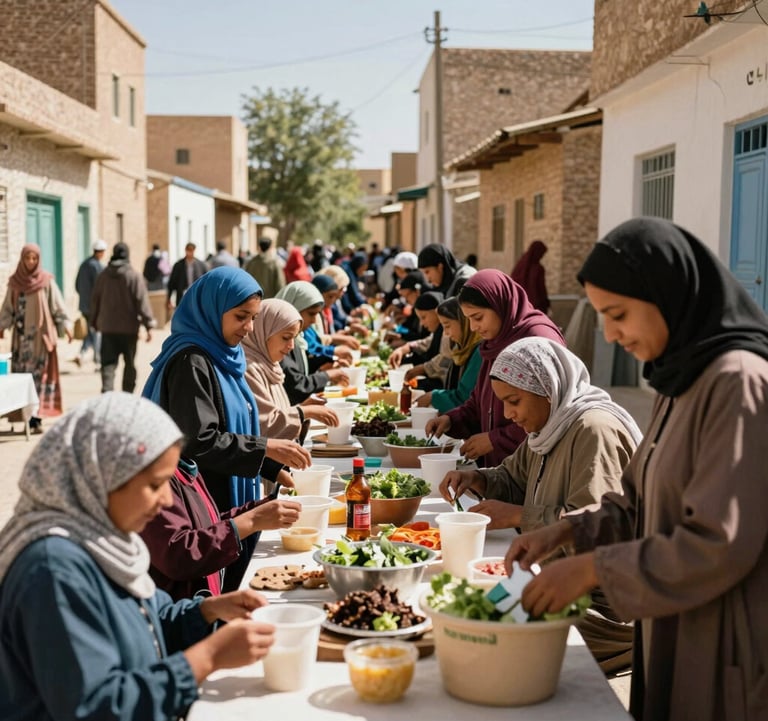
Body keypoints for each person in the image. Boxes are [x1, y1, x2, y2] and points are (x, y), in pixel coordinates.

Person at [505, 217, 768, 721]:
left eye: (619, 314)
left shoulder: (736, 383)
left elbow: (718, 542)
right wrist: (565, 531)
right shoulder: (680, 380)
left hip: (725, 638)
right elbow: (637, 501)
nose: (610, 333)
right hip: (673, 622)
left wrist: (592, 568)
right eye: (602, 315)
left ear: (668, 295)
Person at [0, 392, 277, 721]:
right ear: (101, 477)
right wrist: (207, 657)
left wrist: (206, 611)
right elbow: (98, 708)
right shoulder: (53, 569)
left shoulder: (106, 541)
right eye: (155, 484)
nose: (165, 500)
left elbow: (146, 616)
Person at [441, 337, 642, 673]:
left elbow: (598, 528)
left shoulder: (593, 430)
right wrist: (479, 480)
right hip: (546, 578)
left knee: (487, 643)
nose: (508, 414)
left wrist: (520, 516)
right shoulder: (548, 427)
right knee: (460, 610)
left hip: (594, 604)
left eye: (514, 401)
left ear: (548, 388)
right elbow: (514, 477)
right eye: (503, 402)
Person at [142, 267, 311, 590]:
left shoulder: (223, 356)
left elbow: (233, 422)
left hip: (226, 492)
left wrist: (269, 466)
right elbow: (199, 441)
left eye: (253, 318)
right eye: (240, 317)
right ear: (212, 309)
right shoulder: (191, 362)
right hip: (206, 501)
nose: (248, 328)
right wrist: (265, 448)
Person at [426, 269, 564, 467]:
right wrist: (451, 420)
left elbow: (552, 411)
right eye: (469, 319)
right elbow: (481, 400)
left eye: (478, 317)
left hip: (534, 469)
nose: (473, 327)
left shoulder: (537, 339)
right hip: (500, 473)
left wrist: (495, 439)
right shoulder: (493, 342)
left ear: (499, 305)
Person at [141, 454, 301, 601]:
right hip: (186, 616)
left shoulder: (183, 467)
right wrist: (252, 520)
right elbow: (178, 554)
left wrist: (265, 507)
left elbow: (209, 524)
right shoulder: (157, 479)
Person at [242, 298, 339, 438]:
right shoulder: (249, 369)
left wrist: (300, 408)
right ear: (264, 332)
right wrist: (304, 411)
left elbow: (276, 413)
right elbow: (264, 426)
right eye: (286, 337)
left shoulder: (270, 364)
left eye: (294, 338)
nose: (292, 346)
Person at [0, 243, 71, 431]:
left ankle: (36, 419)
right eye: (27, 258)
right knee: (23, 379)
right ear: (22, 259)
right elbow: (7, 309)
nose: (31, 262)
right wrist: (2, 326)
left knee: (40, 378)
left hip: (41, 340)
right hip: (21, 342)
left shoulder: (46, 281)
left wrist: (67, 327)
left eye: (34, 258)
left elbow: (58, 307)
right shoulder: (15, 283)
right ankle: (26, 417)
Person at [90, 242, 155, 394]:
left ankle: (107, 393)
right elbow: (142, 301)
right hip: (129, 329)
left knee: (108, 364)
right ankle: (127, 395)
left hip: (107, 328)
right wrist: (149, 325)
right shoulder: (133, 275)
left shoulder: (104, 275)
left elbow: (95, 300)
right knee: (130, 364)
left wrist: (93, 321)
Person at [275, 281, 351, 405]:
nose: (314, 320)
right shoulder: (279, 341)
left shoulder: (297, 337)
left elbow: (301, 366)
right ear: (293, 308)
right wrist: (326, 376)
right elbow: (296, 384)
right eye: (311, 314)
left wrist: (329, 361)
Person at [414, 297, 482, 412]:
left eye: (447, 325)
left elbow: (464, 397)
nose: (445, 333)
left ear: (464, 321)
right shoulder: (460, 349)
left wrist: (434, 396)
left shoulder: (479, 353)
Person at [74, 238, 107, 368]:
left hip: (84, 306)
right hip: (95, 307)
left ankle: (81, 354)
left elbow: (77, 285)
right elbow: (101, 288)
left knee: (90, 332)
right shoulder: (98, 267)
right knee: (96, 333)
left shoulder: (84, 264)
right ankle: (98, 361)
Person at [310, 274, 361, 351]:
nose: (334, 300)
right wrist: (334, 348)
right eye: (330, 296)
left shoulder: (325, 311)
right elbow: (315, 342)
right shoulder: (313, 314)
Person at [511, 240, 550, 314]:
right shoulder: (537, 269)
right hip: (534, 306)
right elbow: (541, 289)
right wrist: (545, 303)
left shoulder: (520, 266)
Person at [167, 242, 208, 310]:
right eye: (188, 250)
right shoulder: (178, 265)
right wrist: (169, 299)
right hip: (182, 297)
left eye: (192, 250)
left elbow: (206, 282)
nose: (190, 252)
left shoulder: (201, 265)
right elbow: (172, 283)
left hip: (197, 297)